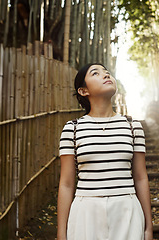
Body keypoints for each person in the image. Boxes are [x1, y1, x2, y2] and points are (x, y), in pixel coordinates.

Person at [57, 63, 153, 240]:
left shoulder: (132, 127)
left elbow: (140, 177)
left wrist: (148, 228)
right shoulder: (72, 129)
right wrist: (61, 233)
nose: (106, 75)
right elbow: (66, 184)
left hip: (127, 209)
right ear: (83, 91)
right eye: (96, 73)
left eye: (108, 73)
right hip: (85, 211)